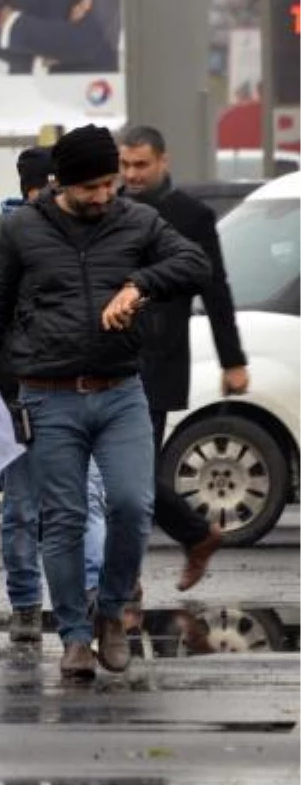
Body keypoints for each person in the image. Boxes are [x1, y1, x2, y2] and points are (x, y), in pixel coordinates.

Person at [0, 125, 210, 679]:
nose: (103, 196)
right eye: (92, 187)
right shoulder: (21, 230)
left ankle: (113, 611)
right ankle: (74, 635)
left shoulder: (136, 220)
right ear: (62, 184)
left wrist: (139, 285)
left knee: (131, 504)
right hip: (49, 399)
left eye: (110, 183)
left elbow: (195, 263)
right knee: (64, 519)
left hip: (120, 392)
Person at [0, 146, 106, 642]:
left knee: (81, 499)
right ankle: (27, 604)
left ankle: (86, 596)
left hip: (80, 388)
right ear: (37, 189)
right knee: (25, 506)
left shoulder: (89, 232)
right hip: (15, 397)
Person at [118, 124, 249, 591]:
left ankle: (127, 581)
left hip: (157, 362)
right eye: (125, 165)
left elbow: (215, 291)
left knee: (131, 479)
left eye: (141, 165)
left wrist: (232, 360)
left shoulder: (190, 216)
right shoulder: (108, 209)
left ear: (163, 161)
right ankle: (195, 536)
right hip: (107, 359)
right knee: (121, 479)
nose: (131, 175)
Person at [0, 0, 119, 74]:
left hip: (84, 95)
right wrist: (56, 48)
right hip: (25, 96)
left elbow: (86, 41)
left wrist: (13, 24)